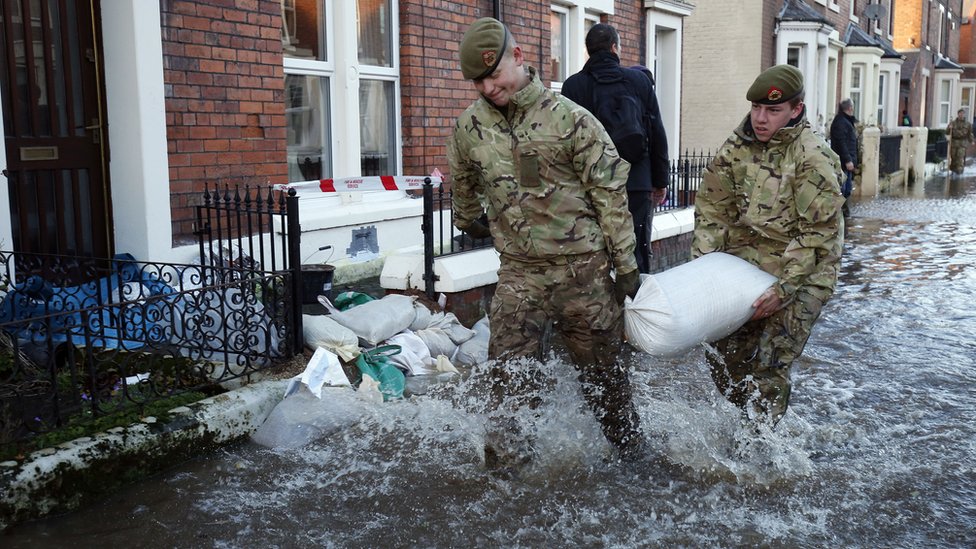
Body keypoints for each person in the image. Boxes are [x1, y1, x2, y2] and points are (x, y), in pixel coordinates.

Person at [446, 17, 645, 469]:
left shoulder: (570, 119)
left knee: (606, 381)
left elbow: (609, 195)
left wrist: (626, 266)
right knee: (508, 384)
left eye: (493, 76)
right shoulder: (469, 128)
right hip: (519, 276)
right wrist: (474, 222)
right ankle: (507, 481)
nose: (487, 89)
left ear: (518, 58)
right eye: (478, 82)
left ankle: (632, 457)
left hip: (584, 275)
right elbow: (463, 188)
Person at [692, 64, 845, 429]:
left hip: (807, 271)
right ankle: (752, 417)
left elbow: (817, 234)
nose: (760, 119)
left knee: (770, 361)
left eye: (773, 111)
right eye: (756, 108)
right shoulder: (737, 146)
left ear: (796, 109)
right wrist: (703, 269)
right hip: (748, 262)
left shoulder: (813, 157)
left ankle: (762, 452)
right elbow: (714, 208)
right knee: (723, 354)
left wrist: (784, 289)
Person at [560, 24, 670, 274]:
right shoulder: (639, 81)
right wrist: (659, 181)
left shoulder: (573, 87)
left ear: (589, 51)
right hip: (636, 182)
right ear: (614, 48)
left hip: (591, 187)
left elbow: (565, 142)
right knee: (636, 253)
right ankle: (637, 307)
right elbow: (657, 133)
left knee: (594, 253)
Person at [829, 98, 858, 213]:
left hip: (845, 161)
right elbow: (841, 143)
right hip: (842, 162)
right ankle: (839, 213)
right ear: (850, 108)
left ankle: (843, 213)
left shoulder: (844, 121)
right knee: (843, 190)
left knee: (847, 189)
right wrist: (848, 160)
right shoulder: (841, 122)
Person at [945, 108, 973, 174]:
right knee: (953, 157)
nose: (961, 115)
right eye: (960, 113)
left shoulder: (968, 124)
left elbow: (970, 134)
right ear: (958, 114)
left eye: (963, 113)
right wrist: (949, 128)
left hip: (962, 143)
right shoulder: (953, 123)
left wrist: (971, 141)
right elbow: (947, 132)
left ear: (964, 114)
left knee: (960, 158)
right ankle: (953, 171)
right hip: (954, 143)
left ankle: (960, 172)